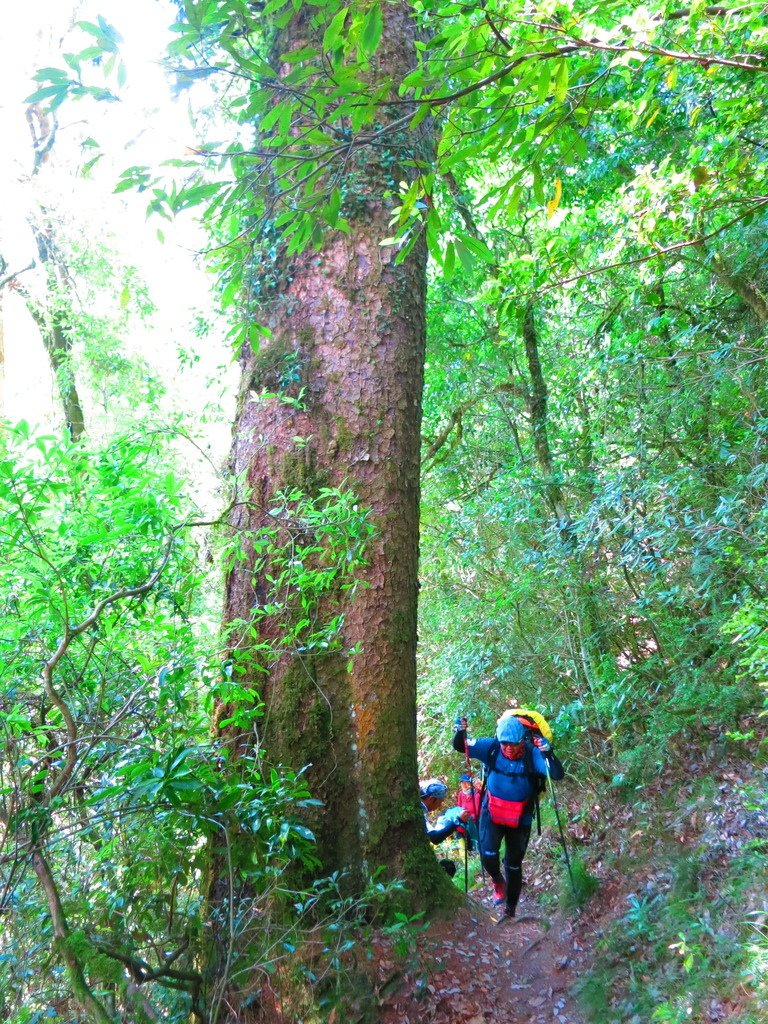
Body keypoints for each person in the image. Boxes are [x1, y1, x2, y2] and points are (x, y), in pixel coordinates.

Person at [452, 711, 565, 919]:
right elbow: (462, 746)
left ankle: (510, 908)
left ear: (523, 740)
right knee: (488, 855)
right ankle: (497, 881)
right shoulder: (492, 747)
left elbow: (557, 774)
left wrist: (548, 753)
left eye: (513, 744)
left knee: (513, 864)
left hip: (520, 817)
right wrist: (459, 732)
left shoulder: (533, 754)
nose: (508, 748)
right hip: (492, 811)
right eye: (505, 743)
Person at [420, 778, 470, 875]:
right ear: (431, 799)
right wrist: (457, 821)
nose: (440, 806)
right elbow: (434, 837)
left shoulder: (419, 808)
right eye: (440, 801)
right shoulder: (418, 810)